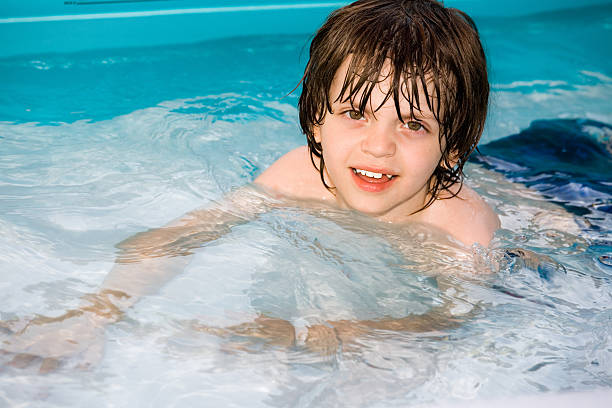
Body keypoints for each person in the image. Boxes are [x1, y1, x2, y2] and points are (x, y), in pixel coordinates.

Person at [1, 0, 499, 372]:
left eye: (413, 124)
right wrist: (92, 314)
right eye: (354, 113)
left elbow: (452, 322)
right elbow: (178, 237)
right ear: (316, 121)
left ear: (452, 147)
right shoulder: (297, 174)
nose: (378, 146)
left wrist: (310, 336)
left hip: (551, 181)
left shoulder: (457, 225)